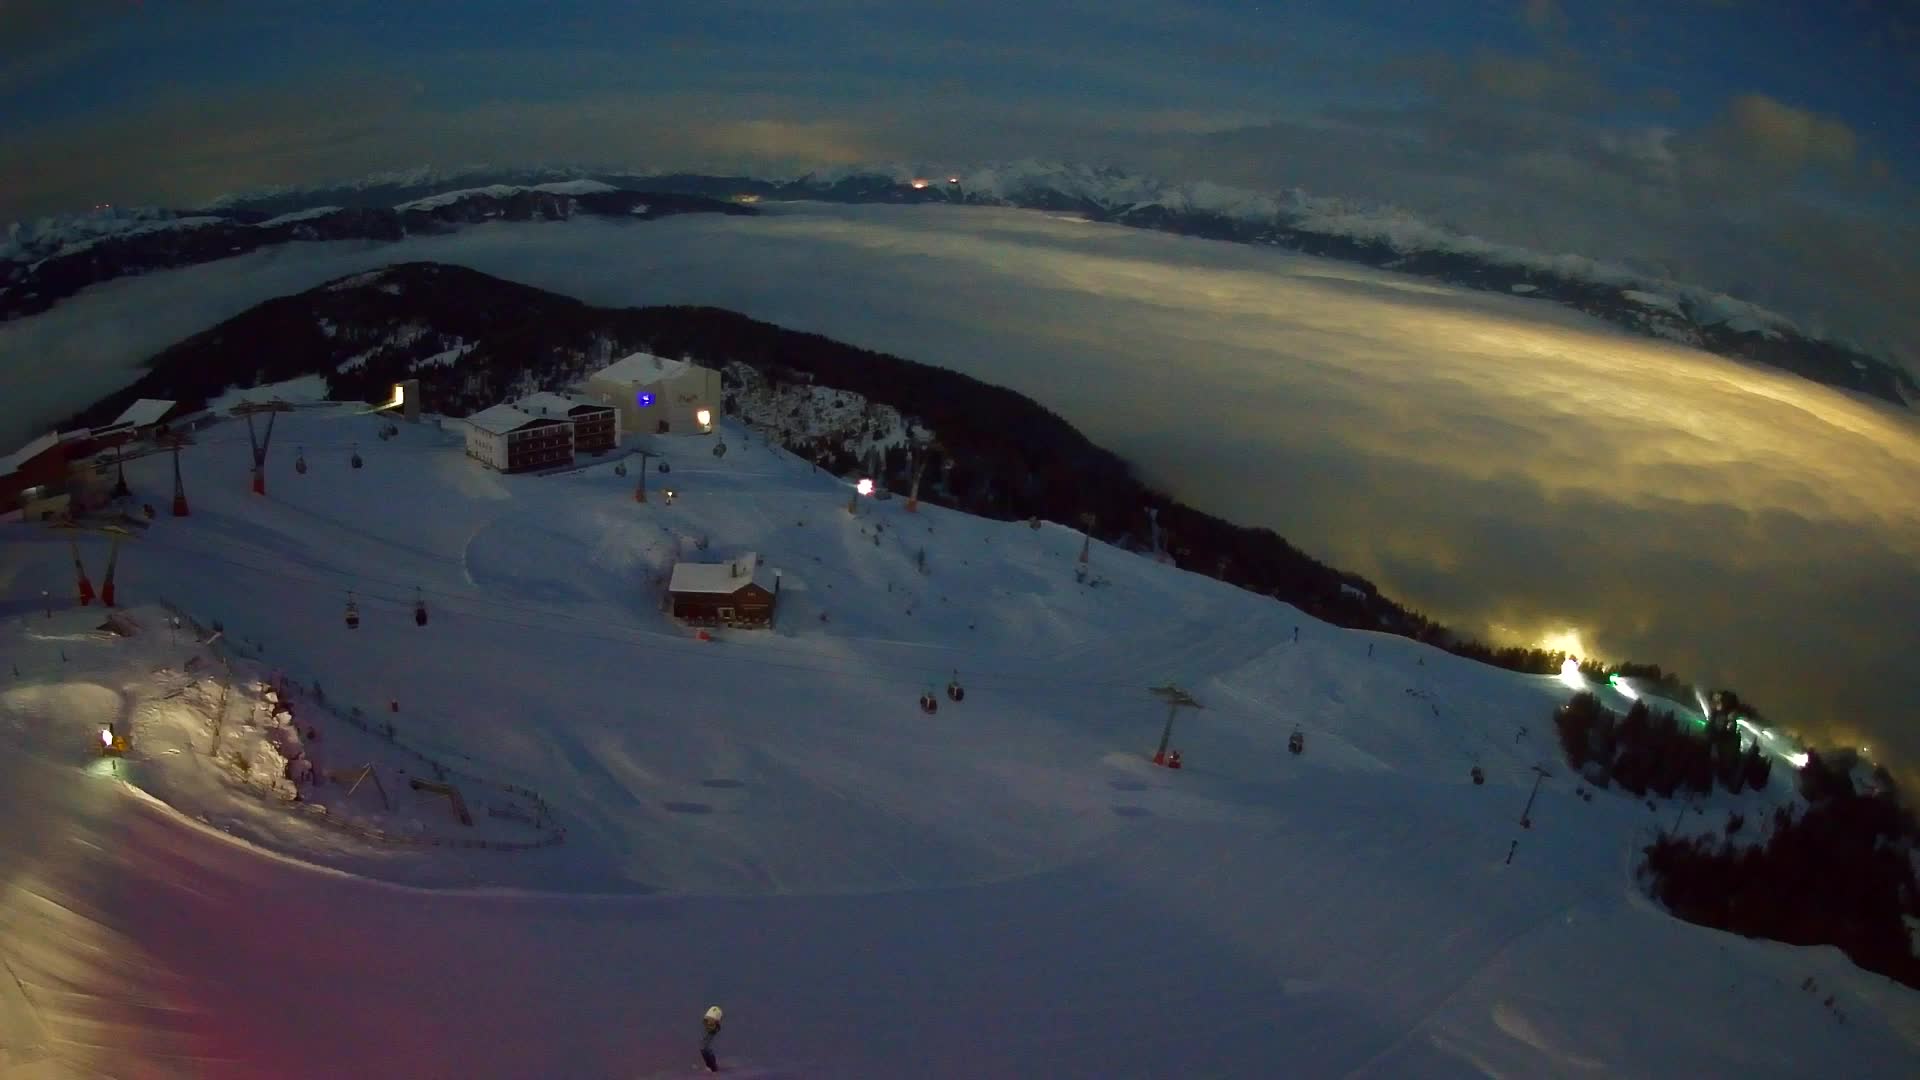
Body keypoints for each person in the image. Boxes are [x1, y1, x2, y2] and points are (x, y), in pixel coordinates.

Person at [701, 1005, 724, 1072]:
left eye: (710, 1022)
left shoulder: (713, 1029)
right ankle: (710, 1066)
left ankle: (713, 1067)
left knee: (705, 1048)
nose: (707, 1024)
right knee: (704, 1048)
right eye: (706, 1021)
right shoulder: (709, 1027)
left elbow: (713, 1027)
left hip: (713, 1030)